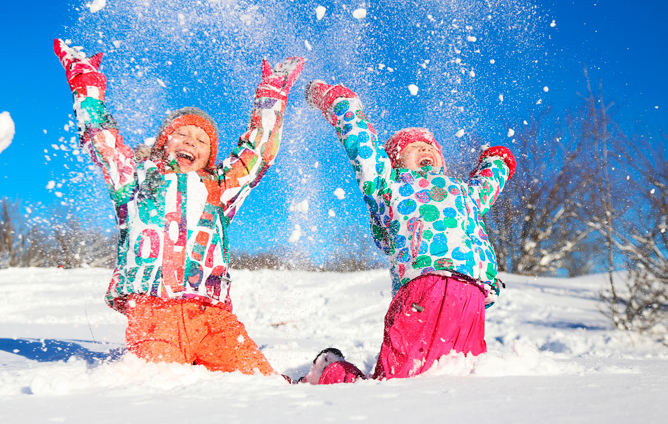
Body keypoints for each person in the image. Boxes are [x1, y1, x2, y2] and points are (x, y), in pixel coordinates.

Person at [54, 39, 305, 375]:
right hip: (153, 313)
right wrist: (87, 87)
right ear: (163, 143)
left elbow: (257, 154)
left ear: (210, 156)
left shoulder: (219, 188)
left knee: (261, 384)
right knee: (159, 388)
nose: (191, 142)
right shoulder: (135, 180)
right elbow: (102, 140)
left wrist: (270, 97)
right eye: (182, 135)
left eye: (202, 140)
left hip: (213, 318)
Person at [303, 79, 516, 382]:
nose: (425, 149)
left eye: (430, 147)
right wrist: (340, 103)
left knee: (462, 378)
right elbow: (363, 146)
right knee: (396, 382)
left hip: (471, 297)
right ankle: (331, 374)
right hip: (422, 288)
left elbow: (486, 187)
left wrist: (497, 162)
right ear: (395, 161)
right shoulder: (389, 187)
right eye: (414, 147)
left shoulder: (463, 194)